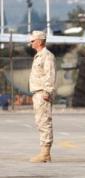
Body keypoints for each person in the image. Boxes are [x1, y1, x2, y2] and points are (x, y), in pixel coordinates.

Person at [28, 30, 56, 163]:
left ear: (39, 41)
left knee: (44, 121)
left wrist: (47, 92)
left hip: (42, 93)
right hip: (37, 93)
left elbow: (49, 74)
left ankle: (45, 153)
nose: (31, 43)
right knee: (40, 122)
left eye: (33, 41)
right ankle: (43, 151)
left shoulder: (47, 56)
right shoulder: (39, 55)